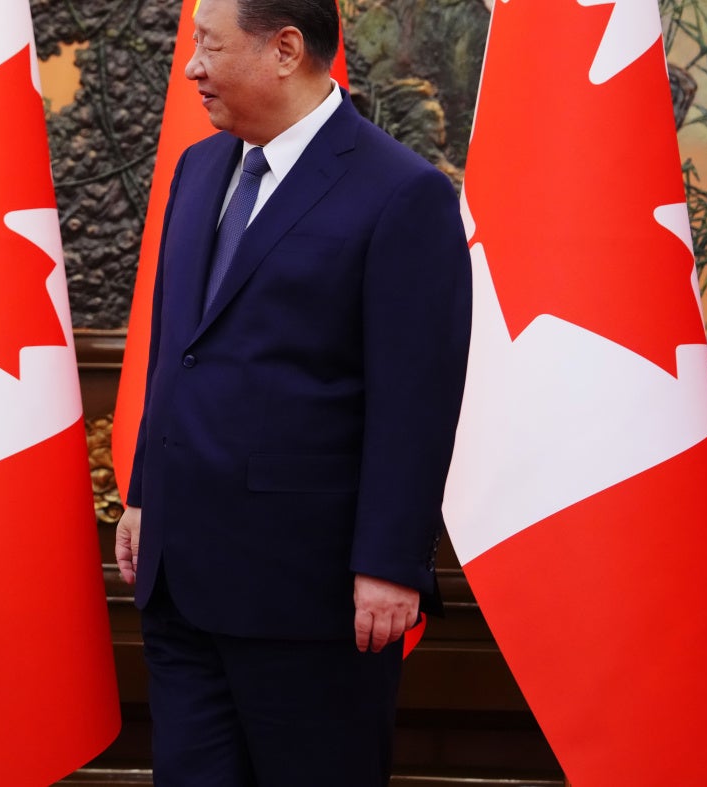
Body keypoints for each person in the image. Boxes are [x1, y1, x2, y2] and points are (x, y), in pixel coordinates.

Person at [114, 0, 471, 783]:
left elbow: (416, 400)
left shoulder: (402, 193)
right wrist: (143, 493)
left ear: (284, 49)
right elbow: (176, 347)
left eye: (209, 47)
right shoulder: (198, 168)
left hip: (309, 597)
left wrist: (391, 562)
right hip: (180, 584)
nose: (191, 67)